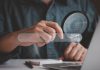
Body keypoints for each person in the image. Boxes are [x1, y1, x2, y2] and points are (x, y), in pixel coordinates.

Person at [0, 0, 97, 63]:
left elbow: (95, 52)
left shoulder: (84, 4)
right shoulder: (4, 5)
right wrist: (18, 37)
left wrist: (86, 54)